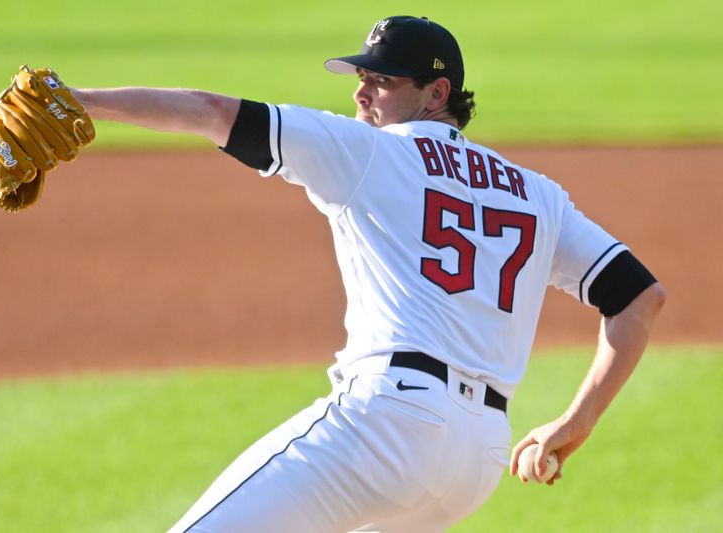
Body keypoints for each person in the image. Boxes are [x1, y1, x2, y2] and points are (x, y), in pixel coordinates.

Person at [72, 15, 665, 533]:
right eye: (361, 77)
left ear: (438, 92)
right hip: (477, 458)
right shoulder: (538, 195)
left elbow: (212, 113)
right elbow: (640, 297)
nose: (362, 94)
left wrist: (83, 101)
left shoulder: (370, 152)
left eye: (382, 80)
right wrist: (576, 421)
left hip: (386, 424)